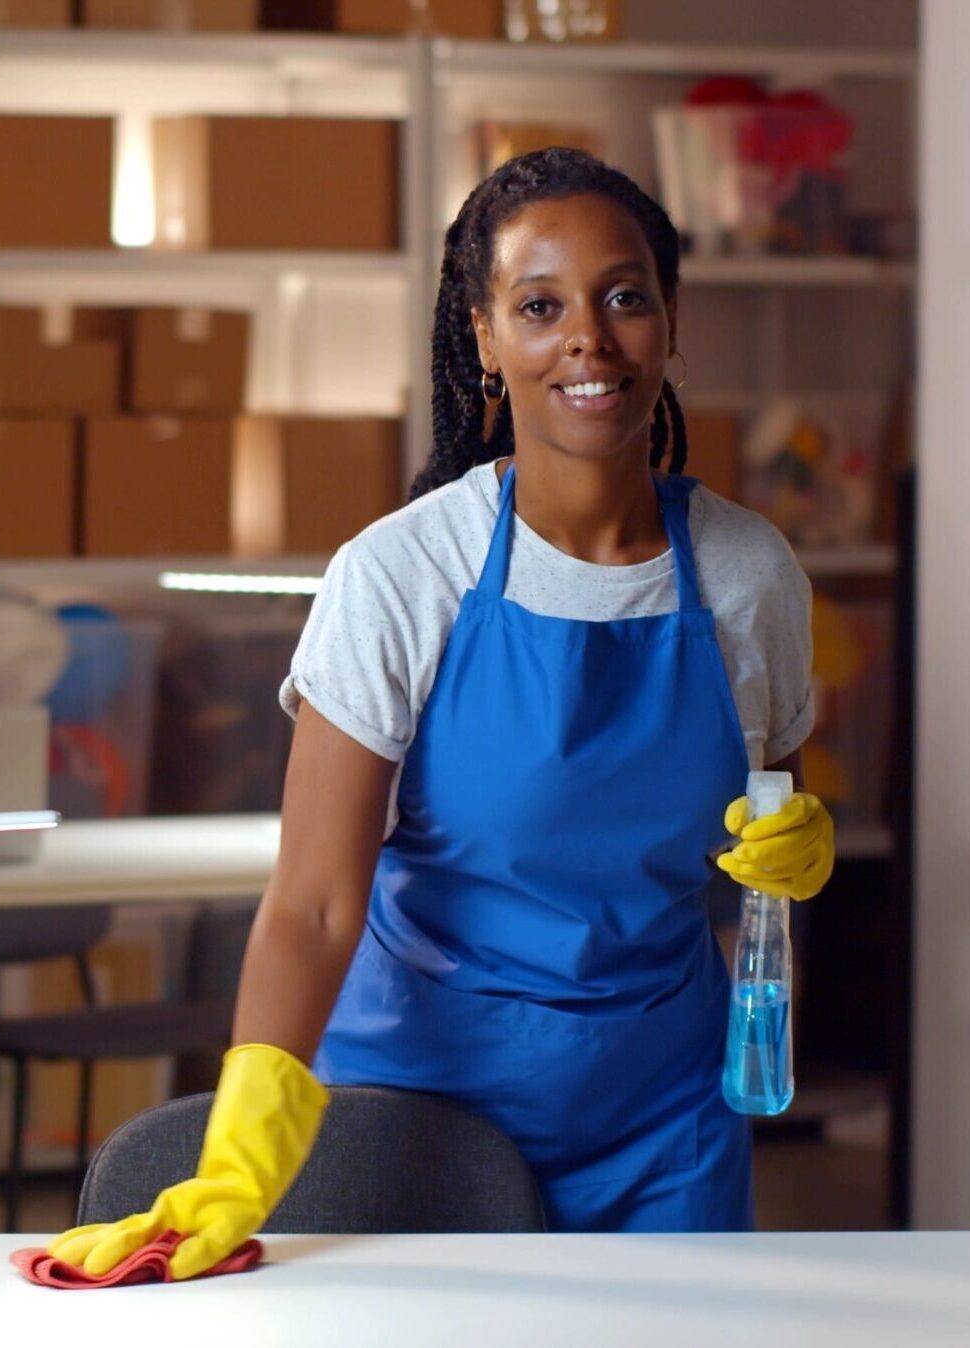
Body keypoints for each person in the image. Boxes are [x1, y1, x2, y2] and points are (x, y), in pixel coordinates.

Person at [50, 148, 833, 1277]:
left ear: (668, 319)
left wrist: (791, 851)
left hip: (663, 1125)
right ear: (481, 336)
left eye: (623, 297)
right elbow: (315, 904)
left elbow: (765, 823)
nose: (587, 340)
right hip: (419, 1131)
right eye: (538, 305)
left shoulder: (750, 575)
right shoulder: (402, 575)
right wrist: (239, 1151)